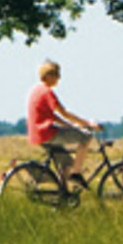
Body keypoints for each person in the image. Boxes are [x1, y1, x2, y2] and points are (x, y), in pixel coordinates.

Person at [26, 60, 102, 188]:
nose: (59, 78)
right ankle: (77, 174)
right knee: (86, 137)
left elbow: (51, 116)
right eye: (56, 74)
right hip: (47, 133)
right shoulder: (47, 92)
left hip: (37, 135)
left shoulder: (36, 90)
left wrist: (70, 126)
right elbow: (64, 113)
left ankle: (64, 196)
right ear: (47, 76)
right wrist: (87, 123)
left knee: (66, 164)